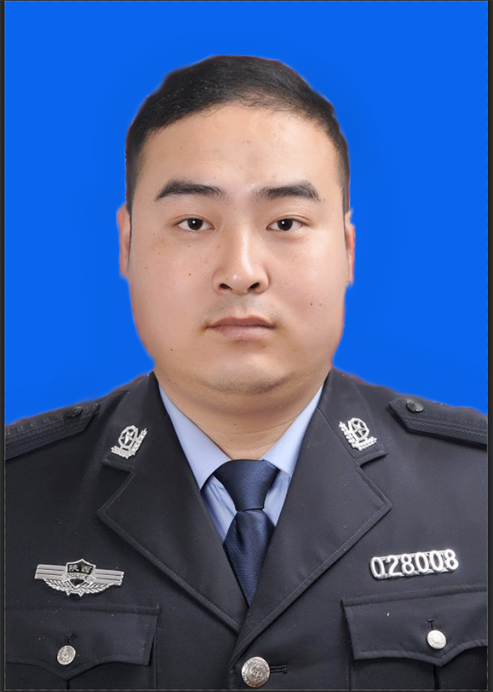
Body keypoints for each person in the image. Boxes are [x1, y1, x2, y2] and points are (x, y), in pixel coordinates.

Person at [5, 56, 486, 691]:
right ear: (126, 245)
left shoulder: (475, 489)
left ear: (347, 249)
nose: (241, 271)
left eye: (285, 222)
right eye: (194, 223)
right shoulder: (15, 496)